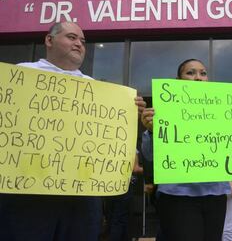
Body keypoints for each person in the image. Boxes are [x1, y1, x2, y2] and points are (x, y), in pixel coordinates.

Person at [0, 22, 146, 241]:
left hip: (82, 196)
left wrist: (129, 112)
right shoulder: (19, 75)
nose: (79, 44)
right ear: (49, 41)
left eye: (83, 41)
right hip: (27, 193)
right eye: (71, 37)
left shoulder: (98, 90)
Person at [141, 58, 231, 241]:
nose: (198, 77)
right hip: (177, 196)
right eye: (190, 73)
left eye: (203, 73)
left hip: (216, 194)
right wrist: (151, 131)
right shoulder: (164, 109)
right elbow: (150, 155)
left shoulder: (225, 110)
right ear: (178, 79)